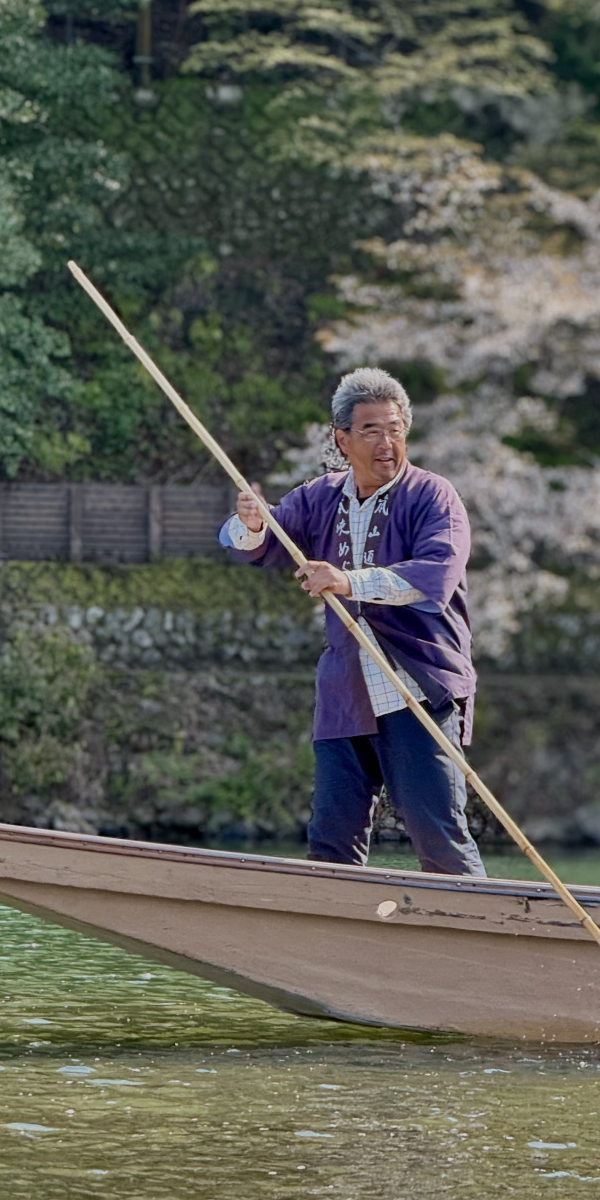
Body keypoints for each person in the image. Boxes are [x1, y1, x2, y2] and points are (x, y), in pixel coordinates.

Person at [219, 366, 484, 877]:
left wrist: (347, 581)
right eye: (371, 431)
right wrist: (252, 523)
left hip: (417, 688)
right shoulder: (321, 495)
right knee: (331, 841)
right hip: (345, 692)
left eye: (395, 429)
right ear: (341, 439)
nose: (387, 443)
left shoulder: (433, 496)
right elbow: (261, 541)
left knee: (438, 834)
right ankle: (333, 947)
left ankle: (481, 940)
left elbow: (435, 575)